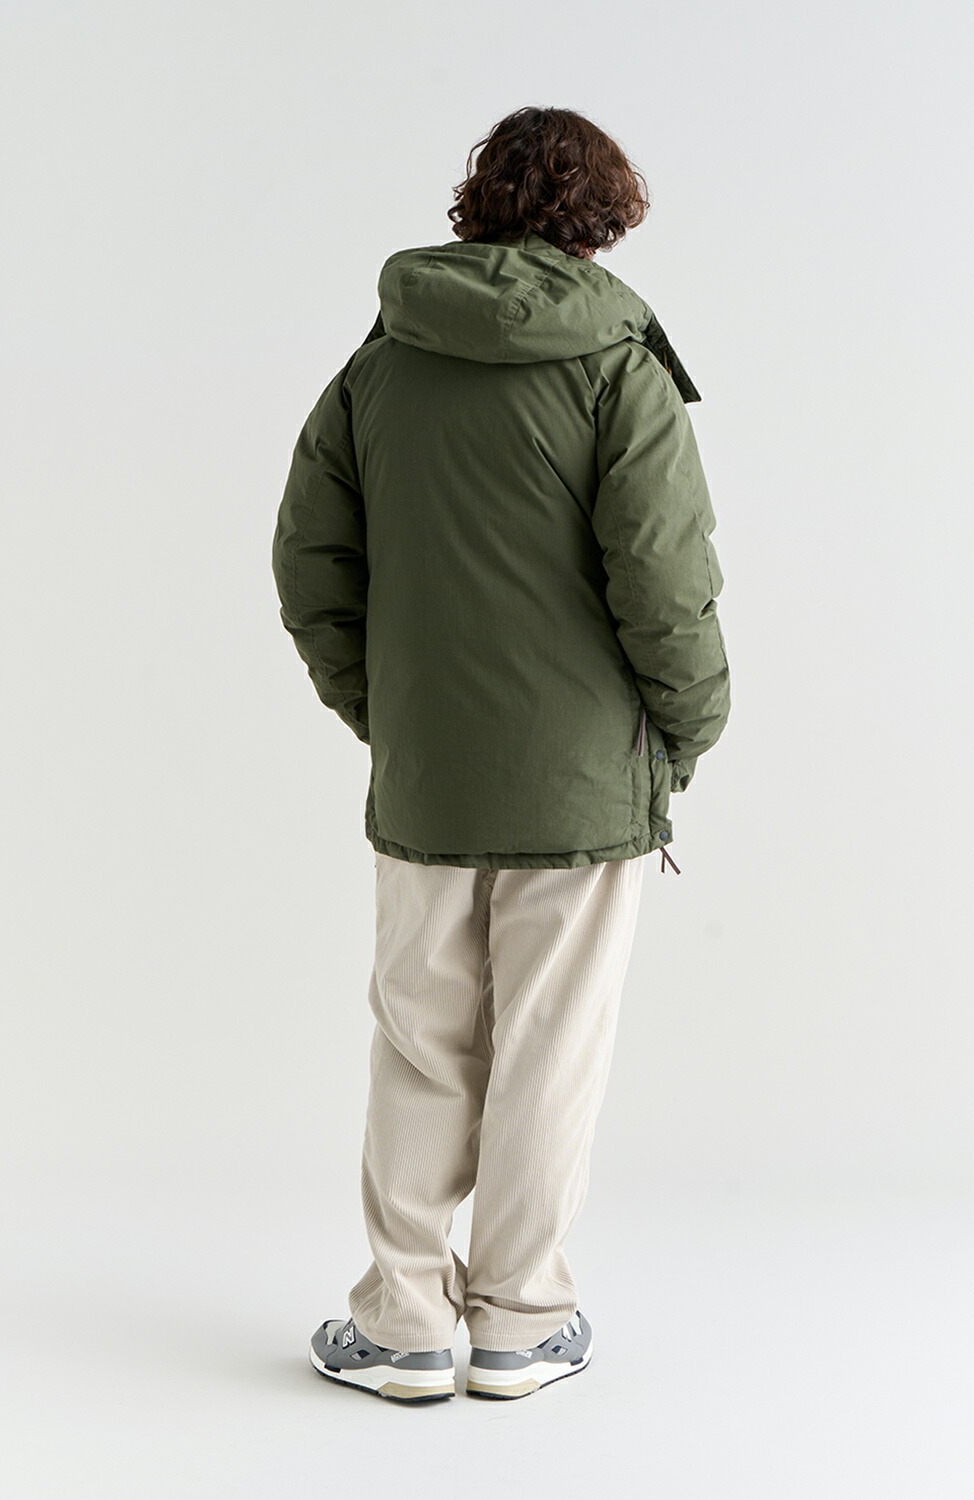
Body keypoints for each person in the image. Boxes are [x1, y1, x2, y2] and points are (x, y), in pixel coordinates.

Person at [273, 105, 731, 1403]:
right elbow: (666, 581)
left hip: (428, 775)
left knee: (421, 1042)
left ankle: (406, 1323)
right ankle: (522, 1321)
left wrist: (386, 712)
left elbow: (310, 563)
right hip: (582, 785)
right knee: (548, 1051)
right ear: (605, 218)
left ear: (477, 204)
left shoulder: (380, 364)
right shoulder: (621, 367)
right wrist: (687, 728)